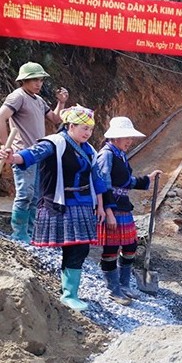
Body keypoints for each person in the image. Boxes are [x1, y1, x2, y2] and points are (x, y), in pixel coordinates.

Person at [0, 105, 107, 312]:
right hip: (63, 203)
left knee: (81, 247)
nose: (87, 133)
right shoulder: (54, 143)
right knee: (73, 247)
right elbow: (31, 154)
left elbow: (97, 179)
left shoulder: (89, 150)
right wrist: (13, 157)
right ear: (70, 126)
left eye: (90, 129)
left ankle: (70, 291)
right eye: (83, 128)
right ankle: (68, 294)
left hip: (84, 203)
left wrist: (100, 206)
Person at [96, 117, 162, 306]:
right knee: (111, 248)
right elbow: (104, 185)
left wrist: (147, 179)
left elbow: (127, 181)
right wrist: (108, 212)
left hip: (123, 205)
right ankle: (113, 289)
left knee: (130, 245)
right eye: (127, 137)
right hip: (113, 207)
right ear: (116, 137)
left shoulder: (120, 155)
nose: (130, 141)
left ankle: (124, 284)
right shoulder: (106, 155)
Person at [0, 62, 69, 242]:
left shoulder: (38, 100)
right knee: (25, 194)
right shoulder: (18, 96)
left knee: (36, 196)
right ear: (24, 80)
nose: (39, 84)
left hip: (39, 154)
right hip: (23, 154)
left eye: (40, 80)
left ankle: (29, 234)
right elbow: (1, 116)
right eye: (34, 80)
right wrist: (5, 144)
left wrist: (61, 103)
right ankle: (19, 235)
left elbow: (55, 119)